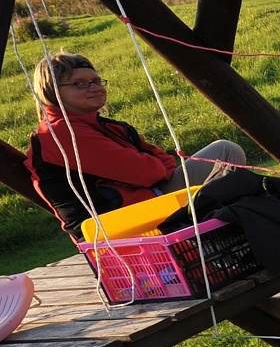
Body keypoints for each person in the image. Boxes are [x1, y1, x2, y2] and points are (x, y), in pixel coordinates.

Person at [25, 52, 247, 239]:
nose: (94, 88)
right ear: (52, 91)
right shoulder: (59, 133)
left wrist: (154, 170)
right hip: (118, 224)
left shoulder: (99, 125)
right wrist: (154, 171)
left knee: (224, 152)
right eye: (79, 83)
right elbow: (147, 172)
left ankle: (223, 232)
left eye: (97, 81)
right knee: (224, 152)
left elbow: (162, 160)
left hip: (145, 202)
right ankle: (222, 235)